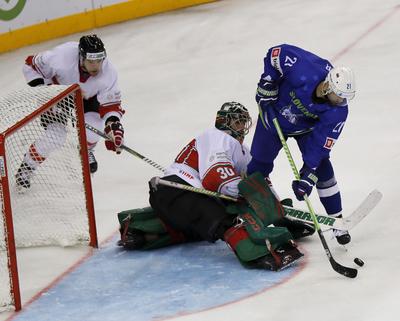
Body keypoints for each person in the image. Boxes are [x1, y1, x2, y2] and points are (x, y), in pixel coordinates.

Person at [117, 102, 312, 271]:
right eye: (237, 122)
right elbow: (214, 178)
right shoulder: (217, 137)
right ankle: (267, 252)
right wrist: (252, 199)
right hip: (182, 191)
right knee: (229, 221)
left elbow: (259, 180)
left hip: (168, 197)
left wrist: (276, 208)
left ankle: (138, 231)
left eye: (244, 122)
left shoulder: (240, 149)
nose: (242, 127)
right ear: (224, 122)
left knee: (201, 229)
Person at [247, 44, 356, 245]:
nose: (341, 102)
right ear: (328, 86)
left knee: (322, 168)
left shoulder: (338, 111)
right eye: (339, 96)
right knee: (259, 165)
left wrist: (309, 173)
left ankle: (337, 220)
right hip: (274, 118)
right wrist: (267, 84)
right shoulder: (305, 69)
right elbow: (275, 53)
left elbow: (321, 144)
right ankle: (248, 208)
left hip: (306, 130)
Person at [16, 34, 124, 188]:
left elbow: (111, 106)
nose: (96, 66)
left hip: (88, 98)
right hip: (57, 93)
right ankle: (27, 167)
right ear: (81, 57)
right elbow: (29, 65)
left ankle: (87, 151)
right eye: (91, 61)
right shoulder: (62, 56)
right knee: (55, 137)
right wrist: (46, 92)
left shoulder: (109, 71)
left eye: (99, 60)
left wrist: (114, 127)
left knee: (95, 128)